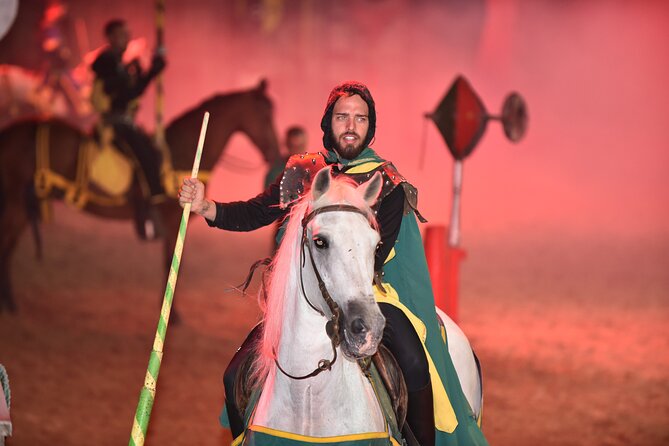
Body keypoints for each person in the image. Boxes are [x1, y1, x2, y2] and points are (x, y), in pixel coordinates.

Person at [179, 82, 488, 446]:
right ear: (329, 122)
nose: (351, 126)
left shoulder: (385, 182)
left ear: (370, 126)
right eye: (343, 117)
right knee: (234, 375)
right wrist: (205, 206)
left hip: (369, 294)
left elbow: (371, 257)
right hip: (306, 296)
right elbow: (255, 212)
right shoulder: (303, 172)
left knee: (415, 364)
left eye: (360, 118)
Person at [91, 19, 166, 238]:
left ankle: (147, 205)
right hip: (115, 123)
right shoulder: (105, 62)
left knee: (151, 150)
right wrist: (150, 72)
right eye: (122, 35)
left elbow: (132, 91)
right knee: (147, 155)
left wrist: (146, 73)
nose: (126, 39)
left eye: (127, 34)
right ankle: (154, 205)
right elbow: (126, 94)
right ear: (111, 37)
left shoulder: (117, 63)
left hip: (124, 121)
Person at [263, 125, 307, 251]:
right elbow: (268, 202)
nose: (298, 151)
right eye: (294, 146)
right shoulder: (276, 170)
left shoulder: (314, 166)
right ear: (286, 145)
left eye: (301, 146)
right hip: (284, 232)